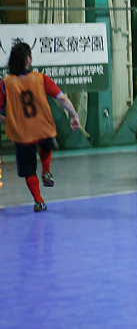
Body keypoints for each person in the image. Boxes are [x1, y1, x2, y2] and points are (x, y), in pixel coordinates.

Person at [0, 42, 81, 212]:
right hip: (43, 128)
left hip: (22, 133)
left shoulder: (5, 84)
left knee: (29, 169)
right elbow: (62, 98)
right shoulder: (40, 78)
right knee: (46, 144)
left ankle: (39, 201)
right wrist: (74, 115)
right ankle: (46, 171)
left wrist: (5, 120)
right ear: (28, 59)